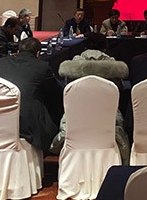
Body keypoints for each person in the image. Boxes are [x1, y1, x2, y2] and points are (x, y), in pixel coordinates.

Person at [53, 32, 130, 161]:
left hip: (77, 115)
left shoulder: (74, 63)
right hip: (107, 117)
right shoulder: (113, 66)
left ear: (85, 47)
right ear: (104, 48)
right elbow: (118, 89)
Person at [0, 37, 59, 153]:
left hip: (1, 119)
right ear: (38, 53)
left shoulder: (2, 63)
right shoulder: (42, 67)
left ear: (18, 51)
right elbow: (55, 93)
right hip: (29, 123)